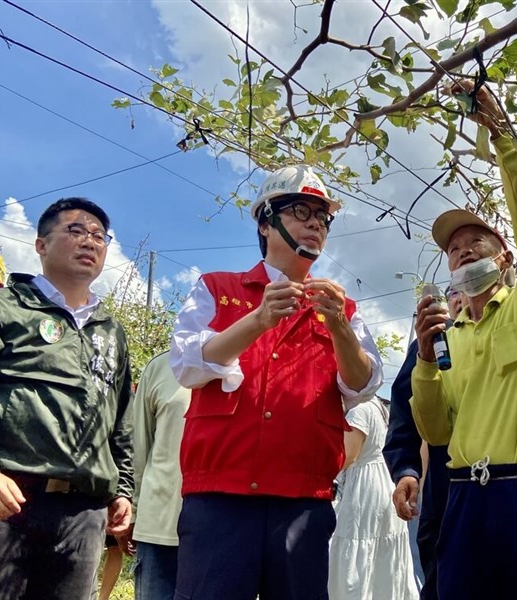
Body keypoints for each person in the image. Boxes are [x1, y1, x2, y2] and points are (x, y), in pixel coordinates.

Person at [170, 165, 383, 599]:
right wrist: (258, 320)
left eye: (323, 218)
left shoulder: (342, 307)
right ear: (265, 223)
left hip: (303, 499)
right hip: (219, 495)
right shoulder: (217, 287)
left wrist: (339, 325)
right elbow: (186, 363)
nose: (314, 225)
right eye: (301, 212)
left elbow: (362, 386)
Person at [411, 82, 517, 599]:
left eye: (475, 241)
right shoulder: (450, 337)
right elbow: (436, 430)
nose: (463, 251)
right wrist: (424, 360)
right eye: (454, 248)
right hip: (464, 499)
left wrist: (503, 137)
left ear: (504, 255)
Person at [0, 197, 133, 599]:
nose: (89, 241)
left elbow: (119, 418)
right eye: (75, 231)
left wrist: (122, 489)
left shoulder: (111, 332)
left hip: (83, 514)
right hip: (9, 499)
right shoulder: (7, 308)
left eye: (98, 236)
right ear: (40, 244)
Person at [383, 287, 465, 600]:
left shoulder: (510, 333)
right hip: (446, 489)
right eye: (453, 292)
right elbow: (403, 413)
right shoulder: (433, 345)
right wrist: (406, 470)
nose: (460, 298)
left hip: (508, 485)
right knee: (442, 578)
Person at [116, 351, 190, 599]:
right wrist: (132, 511)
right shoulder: (161, 366)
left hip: (221, 530)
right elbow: (138, 446)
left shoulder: (244, 365)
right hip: (159, 524)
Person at [329, 396, 419, 599]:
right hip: (384, 481)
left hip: (364, 486)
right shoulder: (378, 407)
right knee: (381, 555)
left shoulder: (358, 410)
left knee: (356, 548)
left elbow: (349, 455)